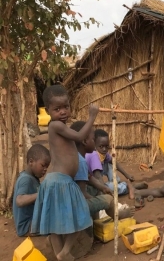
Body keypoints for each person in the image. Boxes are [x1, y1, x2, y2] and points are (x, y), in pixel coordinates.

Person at [31, 84, 98, 261]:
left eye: (66, 107)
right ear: (48, 110)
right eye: (57, 109)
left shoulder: (62, 129)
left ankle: (61, 255)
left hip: (57, 180)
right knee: (83, 218)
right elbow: (79, 137)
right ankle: (65, 252)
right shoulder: (55, 126)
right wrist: (92, 117)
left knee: (55, 223)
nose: (63, 112)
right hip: (61, 181)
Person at [70, 121, 134, 220]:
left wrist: (103, 188)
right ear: (85, 141)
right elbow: (82, 193)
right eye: (93, 139)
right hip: (76, 204)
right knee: (107, 200)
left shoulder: (74, 157)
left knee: (103, 192)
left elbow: (88, 177)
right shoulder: (87, 159)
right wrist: (100, 201)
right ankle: (118, 215)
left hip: (73, 200)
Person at [85, 129, 148, 204]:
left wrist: (126, 174)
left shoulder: (102, 154)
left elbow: (114, 162)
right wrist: (104, 194)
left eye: (106, 146)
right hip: (92, 185)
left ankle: (119, 183)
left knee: (110, 163)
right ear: (94, 144)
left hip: (96, 180)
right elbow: (98, 178)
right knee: (111, 188)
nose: (104, 149)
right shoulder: (94, 155)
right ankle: (127, 186)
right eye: (101, 146)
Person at [12, 144, 50, 237]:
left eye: (47, 167)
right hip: (27, 226)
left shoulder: (32, 177)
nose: (45, 170)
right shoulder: (26, 179)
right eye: (43, 165)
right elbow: (19, 201)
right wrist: (40, 194)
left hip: (31, 222)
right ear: (31, 162)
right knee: (58, 222)